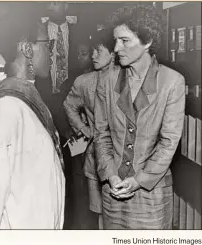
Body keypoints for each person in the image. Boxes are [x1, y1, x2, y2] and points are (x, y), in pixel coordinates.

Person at [93, 4, 185, 229]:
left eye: (125, 41)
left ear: (148, 42)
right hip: (113, 192)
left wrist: (139, 180)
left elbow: (169, 142)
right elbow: (101, 134)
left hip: (150, 196)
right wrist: (111, 175)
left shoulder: (172, 82)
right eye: (115, 40)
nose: (116, 48)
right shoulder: (106, 81)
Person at [0, 13, 65, 229]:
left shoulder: (27, 101)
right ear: (27, 49)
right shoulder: (8, 109)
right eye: (48, 44)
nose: (52, 52)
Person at [63, 28, 114, 229]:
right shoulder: (84, 82)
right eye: (92, 51)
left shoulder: (126, 79)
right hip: (95, 161)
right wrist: (85, 129)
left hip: (123, 162)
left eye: (98, 51)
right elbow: (68, 105)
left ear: (113, 53)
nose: (93, 55)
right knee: (100, 214)